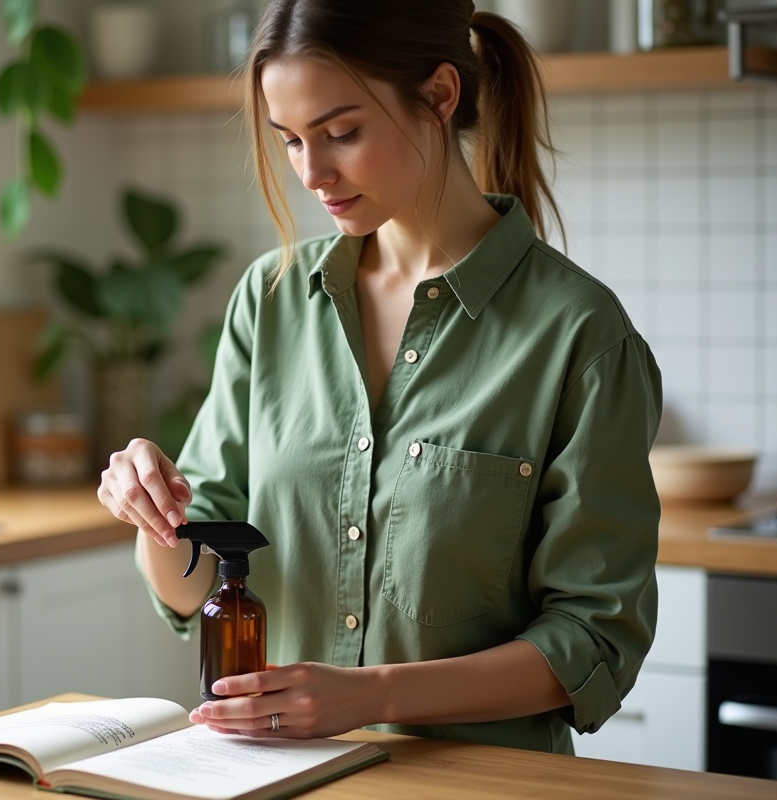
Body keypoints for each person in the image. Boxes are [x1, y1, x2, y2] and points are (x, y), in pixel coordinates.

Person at [97, 0, 661, 756]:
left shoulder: (581, 336)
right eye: (291, 140)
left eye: (341, 133)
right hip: (281, 776)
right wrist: (153, 513)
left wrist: (370, 696)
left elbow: (592, 640)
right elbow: (195, 585)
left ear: (439, 95)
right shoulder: (269, 303)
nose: (310, 172)